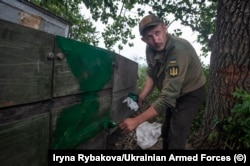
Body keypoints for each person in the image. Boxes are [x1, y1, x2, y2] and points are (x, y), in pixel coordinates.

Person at [119, 14, 206, 149]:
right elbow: (152, 73)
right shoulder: (150, 48)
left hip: (190, 93)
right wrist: (141, 97)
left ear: (164, 28)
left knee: (177, 134)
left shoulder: (178, 50)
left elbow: (167, 98)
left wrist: (136, 121)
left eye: (157, 33)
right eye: (149, 37)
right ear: (144, 40)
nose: (156, 40)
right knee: (166, 131)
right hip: (172, 92)